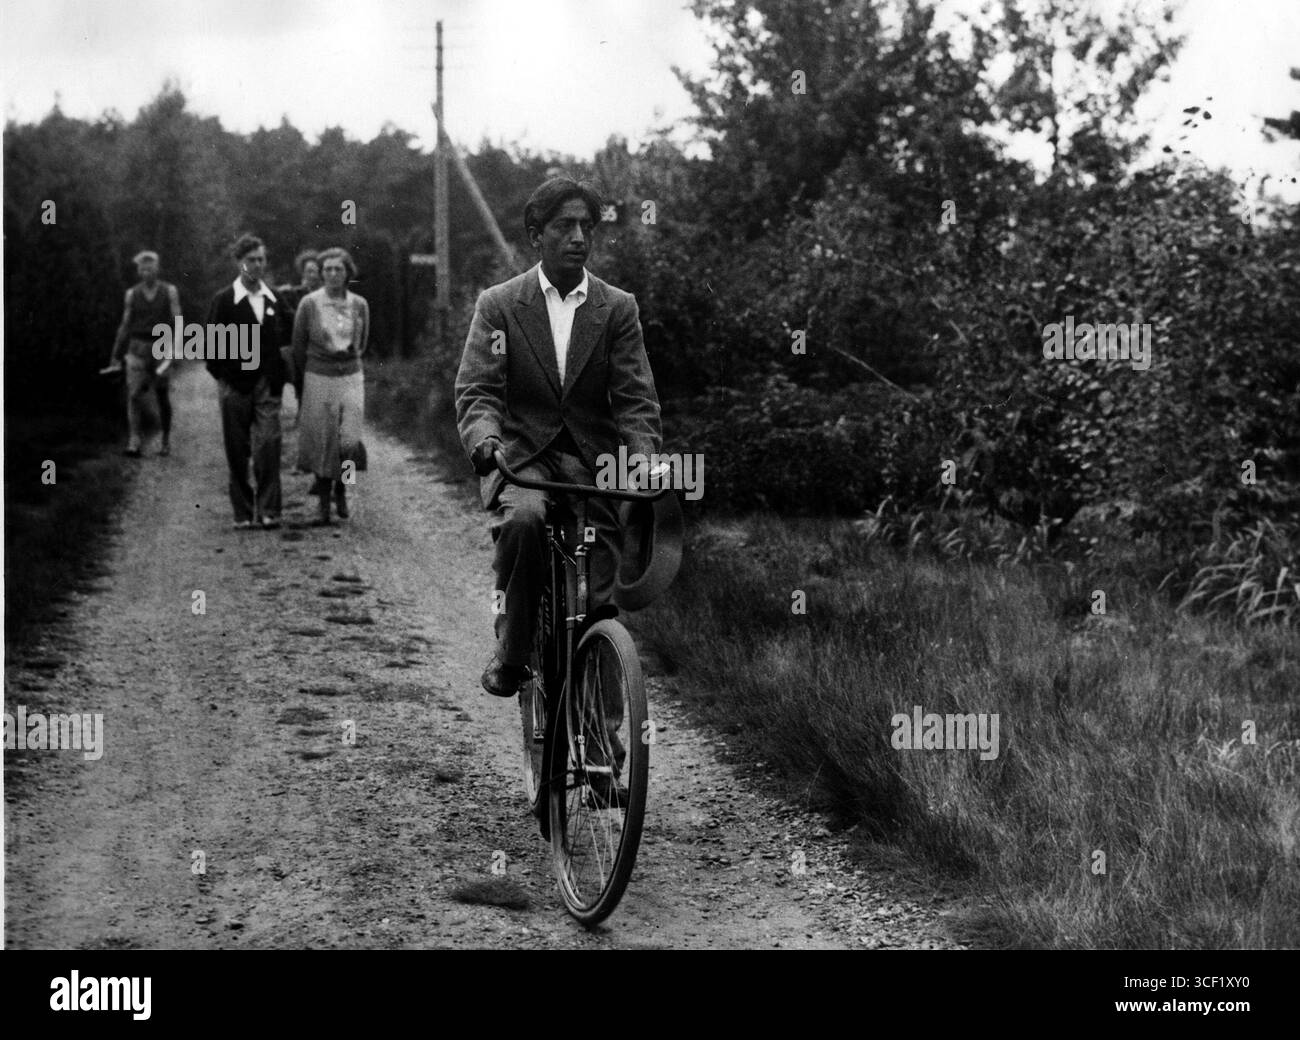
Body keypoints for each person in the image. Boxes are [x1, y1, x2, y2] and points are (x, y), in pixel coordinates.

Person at [454, 177, 663, 799]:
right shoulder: (500, 304)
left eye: (588, 228)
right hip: (522, 459)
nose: (579, 238)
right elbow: (478, 389)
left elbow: (634, 399)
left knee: (599, 604)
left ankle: (601, 757)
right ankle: (515, 653)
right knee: (522, 522)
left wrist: (645, 459)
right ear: (535, 233)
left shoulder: (616, 308)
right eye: (566, 226)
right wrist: (485, 439)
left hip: (594, 469)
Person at [205, 233, 291, 530]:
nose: (256, 265)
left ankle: (269, 510)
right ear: (238, 263)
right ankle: (242, 512)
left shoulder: (275, 298)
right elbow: (211, 349)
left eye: (260, 259)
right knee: (237, 450)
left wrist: (281, 373)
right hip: (235, 386)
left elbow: (291, 335)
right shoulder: (224, 300)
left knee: (268, 444)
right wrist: (226, 380)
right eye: (250, 260)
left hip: (267, 385)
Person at [292, 246, 369, 525]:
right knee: (323, 439)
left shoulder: (359, 304)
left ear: (348, 273)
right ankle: (324, 501)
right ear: (321, 273)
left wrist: (349, 363)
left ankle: (342, 489)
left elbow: (362, 343)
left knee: (349, 440)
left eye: (338, 269)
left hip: (350, 375)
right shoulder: (309, 303)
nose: (333, 274)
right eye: (328, 269)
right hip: (318, 375)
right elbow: (299, 345)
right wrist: (307, 375)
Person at [104, 250, 181, 457]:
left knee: (162, 394)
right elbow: (125, 325)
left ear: (157, 268)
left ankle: (165, 439)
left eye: (150, 267)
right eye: (143, 268)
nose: (147, 272)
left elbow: (178, 321)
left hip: (162, 347)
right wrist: (115, 354)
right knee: (134, 395)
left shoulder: (169, 291)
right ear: (139, 271)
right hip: (137, 348)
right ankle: (134, 440)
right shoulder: (132, 294)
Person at [276, 250, 322, 409]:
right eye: (309, 271)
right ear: (303, 273)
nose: (313, 275)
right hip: (297, 345)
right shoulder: (293, 294)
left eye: (317, 271)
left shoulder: (327, 295)